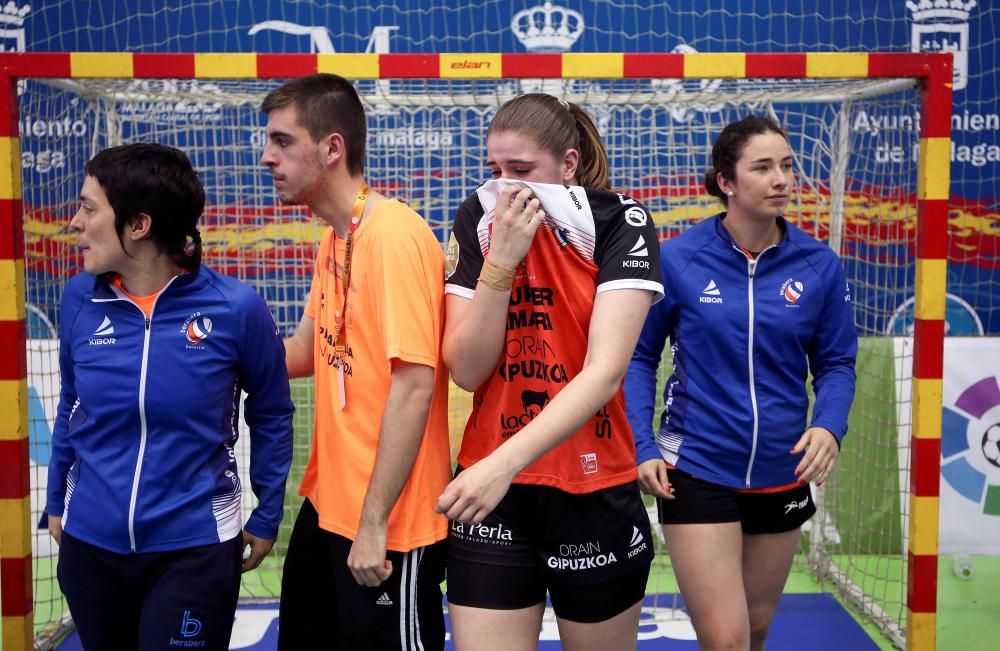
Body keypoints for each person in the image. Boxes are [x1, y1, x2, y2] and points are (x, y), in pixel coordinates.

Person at [435, 93, 663, 651]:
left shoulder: (621, 221)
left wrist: (501, 466)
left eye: (522, 171)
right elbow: (466, 368)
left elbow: (604, 374)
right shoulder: (479, 219)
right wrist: (501, 263)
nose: (507, 187)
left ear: (567, 165)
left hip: (589, 486)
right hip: (491, 496)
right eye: (495, 170)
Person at [46, 143, 294, 651]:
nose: (74, 222)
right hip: (89, 547)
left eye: (90, 208)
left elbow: (270, 412)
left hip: (195, 549)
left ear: (138, 225)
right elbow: (71, 405)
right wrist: (56, 503)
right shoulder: (78, 298)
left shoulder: (235, 308)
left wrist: (267, 512)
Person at [624, 115, 858, 650]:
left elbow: (837, 363)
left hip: (783, 466)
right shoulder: (679, 259)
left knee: (754, 630)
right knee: (725, 640)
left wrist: (829, 426)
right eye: (763, 167)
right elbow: (638, 358)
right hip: (698, 467)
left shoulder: (818, 264)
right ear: (726, 182)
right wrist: (641, 444)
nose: (781, 179)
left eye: (787, 166)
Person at [261, 73, 452, 651]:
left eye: (282, 141)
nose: (267, 157)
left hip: (389, 525)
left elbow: (415, 386)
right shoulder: (336, 237)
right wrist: (204, 344)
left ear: (332, 148)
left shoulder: (392, 236)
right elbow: (304, 352)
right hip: (329, 511)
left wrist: (373, 524)